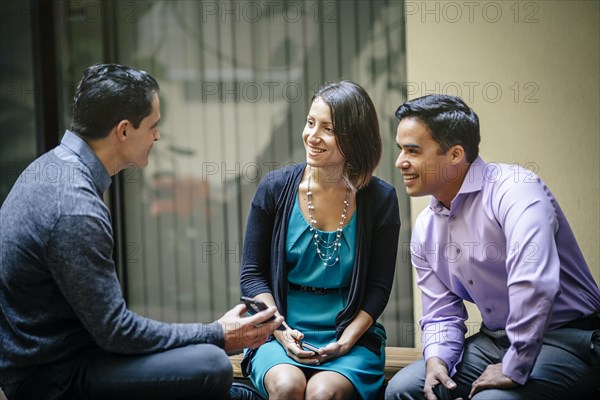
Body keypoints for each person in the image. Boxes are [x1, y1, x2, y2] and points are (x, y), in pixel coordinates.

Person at [0, 63, 282, 400]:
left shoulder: (51, 167)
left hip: (56, 358)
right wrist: (217, 334)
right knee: (211, 364)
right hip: (52, 378)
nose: (158, 136)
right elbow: (116, 333)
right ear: (123, 131)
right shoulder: (75, 207)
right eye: (153, 125)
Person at [385, 94, 600, 400]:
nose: (400, 162)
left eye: (412, 151)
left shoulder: (516, 190)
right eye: (400, 149)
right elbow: (441, 314)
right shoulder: (425, 227)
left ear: (456, 154)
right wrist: (437, 360)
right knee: (403, 389)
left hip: (570, 339)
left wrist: (514, 365)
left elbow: (533, 282)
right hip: (493, 341)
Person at [239, 80, 401, 400]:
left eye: (328, 128)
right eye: (310, 122)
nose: (312, 136)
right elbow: (252, 275)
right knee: (287, 386)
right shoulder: (274, 188)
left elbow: (378, 288)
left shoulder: (381, 199)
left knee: (323, 392)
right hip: (278, 329)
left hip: (350, 335)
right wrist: (282, 332)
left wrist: (346, 341)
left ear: (355, 138)